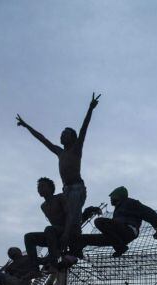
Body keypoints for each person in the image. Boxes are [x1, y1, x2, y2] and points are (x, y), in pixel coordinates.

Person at [16, 93, 101, 255]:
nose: (61, 136)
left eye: (65, 134)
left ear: (72, 138)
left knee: (74, 217)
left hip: (76, 188)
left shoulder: (76, 149)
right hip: (66, 189)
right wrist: (26, 126)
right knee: (66, 218)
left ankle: (76, 247)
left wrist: (90, 108)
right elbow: (42, 139)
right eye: (61, 134)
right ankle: (67, 244)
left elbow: (84, 128)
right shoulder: (59, 152)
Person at [24, 177, 101, 271]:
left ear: (50, 188)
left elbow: (69, 215)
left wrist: (66, 234)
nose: (40, 189)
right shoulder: (43, 206)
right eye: (38, 187)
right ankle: (34, 269)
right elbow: (54, 224)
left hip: (69, 230)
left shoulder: (60, 197)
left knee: (49, 229)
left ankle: (53, 263)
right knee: (29, 237)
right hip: (55, 234)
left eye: (43, 186)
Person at [80, 186, 157, 257]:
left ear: (118, 196)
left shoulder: (130, 202)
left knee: (99, 221)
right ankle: (74, 254)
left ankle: (120, 247)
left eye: (112, 197)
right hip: (117, 238)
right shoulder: (117, 210)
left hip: (128, 230)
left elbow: (149, 213)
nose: (110, 199)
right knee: (83, 238)